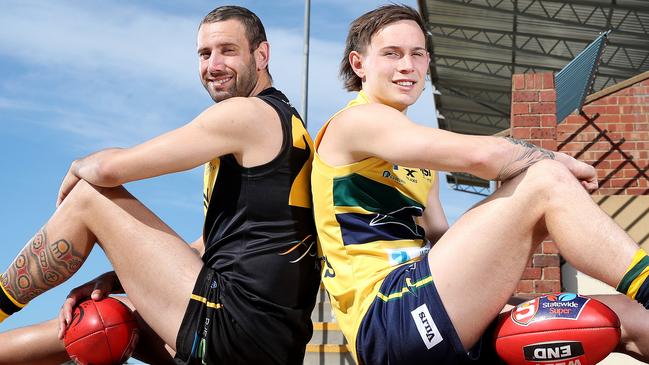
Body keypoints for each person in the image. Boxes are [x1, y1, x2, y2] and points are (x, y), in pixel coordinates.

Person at [311, 4, 649, 364]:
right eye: (391, 54)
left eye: (417, 54)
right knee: (544, 179)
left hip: (432, 303)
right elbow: (481, 158)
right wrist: (557, 160)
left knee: (626, 319)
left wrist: (502, 296)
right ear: (359, 64)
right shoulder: (355, 121)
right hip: (387, 316)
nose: (407, 66)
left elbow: (441, 239)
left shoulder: (420, 165)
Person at [0, 5, 319, 365]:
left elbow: (108, 171)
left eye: (228, 50)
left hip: (235, 324)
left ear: (261, 55)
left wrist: (78, 166)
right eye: (204, 53)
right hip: (264, 340)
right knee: (103, 322)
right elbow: (212, 244)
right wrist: (117, 277)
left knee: (91, 196)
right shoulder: (287, 123)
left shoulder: (248, 114)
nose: (214, 65)